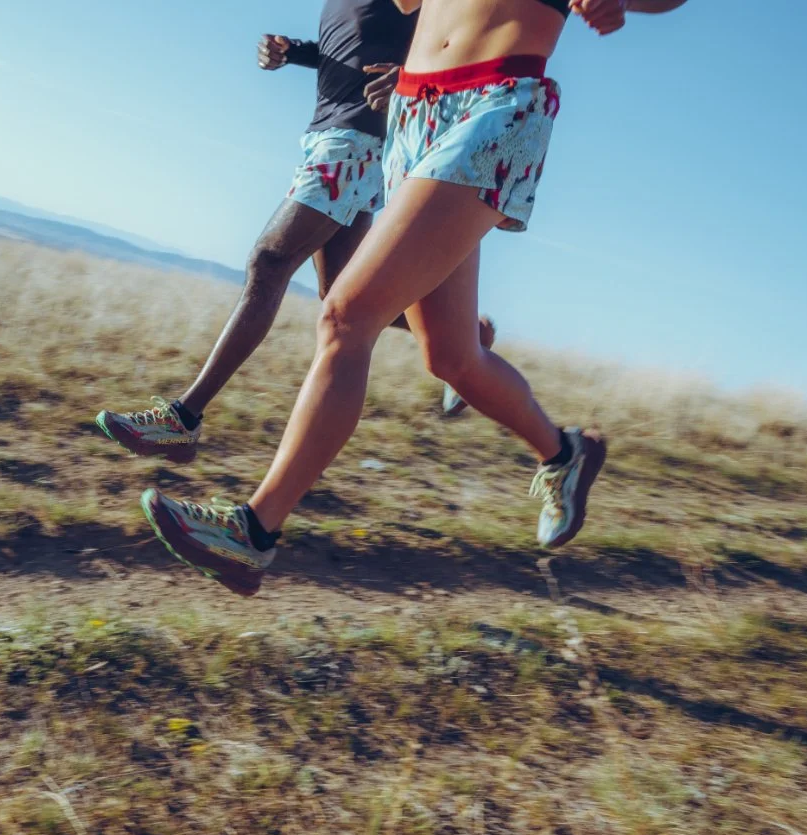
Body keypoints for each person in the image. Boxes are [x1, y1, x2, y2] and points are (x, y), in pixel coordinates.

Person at [140, 0, 689, 596]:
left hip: (496, 103)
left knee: (347, 315)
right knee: (451, 357)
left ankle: (253, 533)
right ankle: (564, 453)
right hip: (413, 115)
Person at [95, 0, 496, 465]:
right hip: (331, 135)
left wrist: (411, 79)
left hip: (357, 139)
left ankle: (182, 419)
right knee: (342, 299)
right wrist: (294, 52)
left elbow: (460, 40)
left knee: (269, 261)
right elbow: (355, 48)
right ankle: (467, 333)